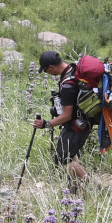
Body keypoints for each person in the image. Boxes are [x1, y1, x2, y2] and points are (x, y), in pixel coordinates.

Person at [32, 50, 96, 191]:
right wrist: (60, 97)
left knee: (62, 159)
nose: (47, 73)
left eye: (46, 70)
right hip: (81, 124)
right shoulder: (72, 70)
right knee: (69, 155)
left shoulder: (67, 84)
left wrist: (46, 124)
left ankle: (91, 186)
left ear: (51, 67)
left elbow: (66, 115)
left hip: (75, 127)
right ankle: (74, 188)